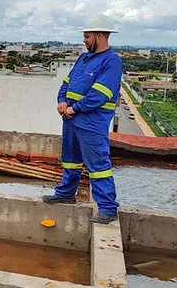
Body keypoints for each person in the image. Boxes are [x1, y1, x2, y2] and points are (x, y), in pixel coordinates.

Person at [43, 14, 123, 224]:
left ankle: (107, 207)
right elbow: (66, 83)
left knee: (98, 165)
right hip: (71, 120)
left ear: (100, 36)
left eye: (87, 37)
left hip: (91, 123)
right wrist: (62, 101)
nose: (84, 41)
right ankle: (66, 193)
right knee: (70, 161)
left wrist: (75, 108)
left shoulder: (111, 62)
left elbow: (100, 94)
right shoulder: (84, 59)